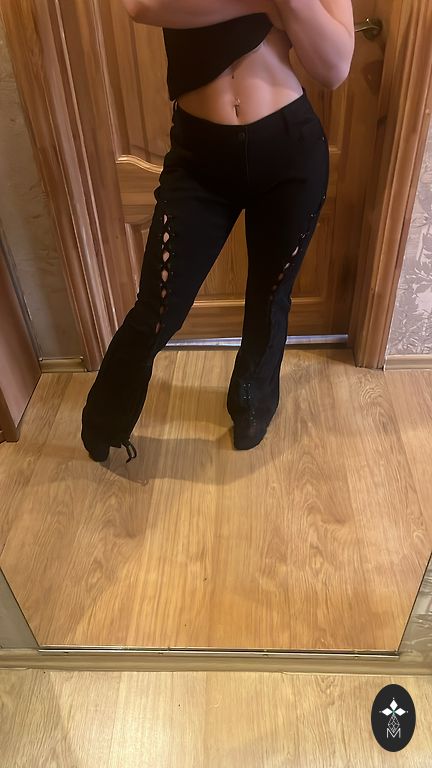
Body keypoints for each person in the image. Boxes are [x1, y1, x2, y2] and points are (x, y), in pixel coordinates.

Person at [81, 0, 354, 463]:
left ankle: (252, 402)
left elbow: (334, 67)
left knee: (271, 298)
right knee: (158, 305)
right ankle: (105, 417)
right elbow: (142, 5)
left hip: (291, 150)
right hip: (199, 159)